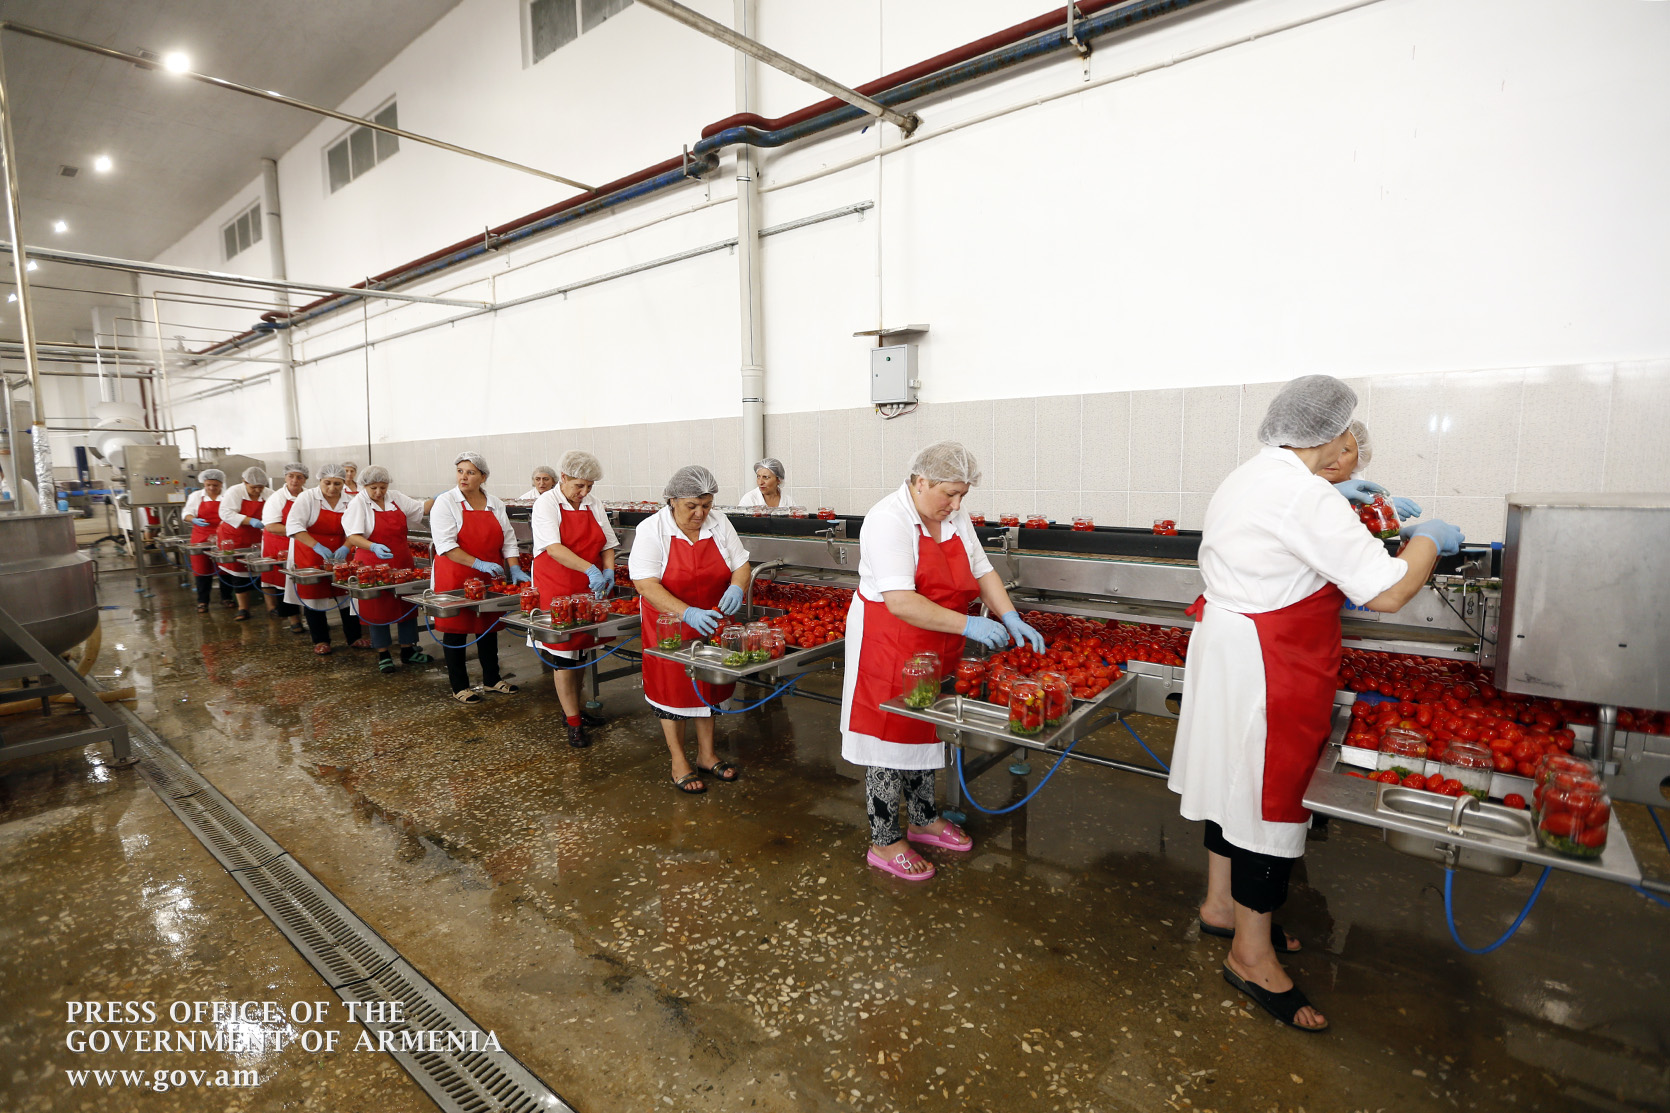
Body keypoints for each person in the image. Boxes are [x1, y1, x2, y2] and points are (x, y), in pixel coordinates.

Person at [1168, 375, 1464, 1033]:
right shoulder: (1304, 495)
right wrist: (1429, 539)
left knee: (1228, 781)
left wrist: (1331, 502)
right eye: (1347, 430)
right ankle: (1250, 956)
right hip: (1272, 664)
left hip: (1228, 646)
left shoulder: (1249, 475)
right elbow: (1387, 592)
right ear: (1331, 435)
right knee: (1266, 800)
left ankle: (1222, 905)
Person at [840, 441, 1045, 882]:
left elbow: (982, 569)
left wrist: (1009, 614)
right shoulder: (888, 519)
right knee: (889, 735)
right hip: (889, 640)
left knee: (927, 728)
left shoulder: (951, 516)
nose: (955, 505)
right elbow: (900, 601)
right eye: (949, 494)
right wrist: (969, 625)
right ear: (920, 481)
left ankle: (924, 818)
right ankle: (884, 840)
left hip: (937, 638)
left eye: (962, 496)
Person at [629, 465, 751, 792]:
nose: (700, 513)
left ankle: (707, 755)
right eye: (691, 506)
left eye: (706, 505)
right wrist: (687, 613)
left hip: (713, 620)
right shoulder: (652, 529)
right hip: (670, 625)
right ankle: (679, 759)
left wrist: (736, 587)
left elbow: (741, 565)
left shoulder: (719, 523)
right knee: (672, 689)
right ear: (672, 500)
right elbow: (645, 584)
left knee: (709, 685)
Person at [530, 451, 619, 747]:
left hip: (588, 586)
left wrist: (608, 569)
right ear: (564, 477)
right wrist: (591, 569)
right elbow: (554, 548)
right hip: (557, 585)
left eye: (589, 486)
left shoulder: (593, 503)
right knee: (563, 654)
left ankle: (575, 711)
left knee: (581, 648)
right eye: (579, 485)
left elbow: (607, 542)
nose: (584, 492)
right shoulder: (546, 503)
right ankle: (573, 723)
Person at [431, 451, 529, 703]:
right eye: (460, 471)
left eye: (471, 472)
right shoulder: (446, 502)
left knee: (487, 626)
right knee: (456, 629)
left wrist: (514, 567)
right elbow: (445, 545)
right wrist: (478, 563)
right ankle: (459, 686)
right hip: (456, 574)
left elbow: (508, 539)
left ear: (483, 477)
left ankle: (492, 679)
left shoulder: (494, 503)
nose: (463, 477)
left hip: (489, 576)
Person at [343, 465, 431, 674]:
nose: (379, 492)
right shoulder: (358, 503)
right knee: (377, 608)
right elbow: (353, 536)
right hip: (372, 563)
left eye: (383, 487)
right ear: (365, 485)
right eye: (373, 488)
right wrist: (373, 546)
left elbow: (421, 509)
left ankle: (408, 650)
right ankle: (383, 654)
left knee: (405, 604)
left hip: (401, 560)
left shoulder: (396, 498)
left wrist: (440, 498)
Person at [285, 463, 367, 656]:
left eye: (337, 483)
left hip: (340, 550)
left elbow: (357, 528)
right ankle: (321, 640)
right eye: (327, 483)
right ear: (319, 481)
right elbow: (294, 526)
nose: (332, 488)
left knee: (346, 594)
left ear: (344, 483)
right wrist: (317, 546)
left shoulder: (350, 501)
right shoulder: (307, 498)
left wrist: (346, 547)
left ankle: (354, 637)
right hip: (310, 551)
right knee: (314, 596)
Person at [1320, 420, 1422, 522]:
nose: (1331, 458)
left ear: (1360, 456)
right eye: (1323, 447)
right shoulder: (1310, 491)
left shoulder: (1370, 496)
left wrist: (1381, 512)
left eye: (1343, 450)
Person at [215, 466, 269, 621]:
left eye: (260, 487)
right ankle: (243, 609)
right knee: (239, 572)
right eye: (253, 487)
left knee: (263, 571)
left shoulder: (269, 494)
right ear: (244, 482)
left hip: (257, 536)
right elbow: (225, 513)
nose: (257, 491)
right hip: (234, 536)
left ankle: (271, 607)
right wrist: (250, 520)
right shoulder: (234, 491)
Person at [261, 463, 310, 634]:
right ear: (285, 477)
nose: (294, 480)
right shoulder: (277, 498)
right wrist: (301, 532)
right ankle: (294, 619)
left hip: (303, 543)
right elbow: (271, 526)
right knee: (284, 583)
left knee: (305, 580)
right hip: (280, 543)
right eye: (291, 476)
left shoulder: (308, 495)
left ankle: (311, 617)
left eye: (299, 477)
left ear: (305, 479)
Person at [182, 469, 233, 613]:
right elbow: (186, 513)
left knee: (225, 569)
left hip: (223, 536)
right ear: (203, 483)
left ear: (221, 484)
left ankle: (227, 598)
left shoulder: (227, 496)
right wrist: (194, 519)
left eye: (215, 485)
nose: (211, 488)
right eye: (208, 485)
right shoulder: (196, 496)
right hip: (201, 536)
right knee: (201, 569)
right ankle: (202, 601)